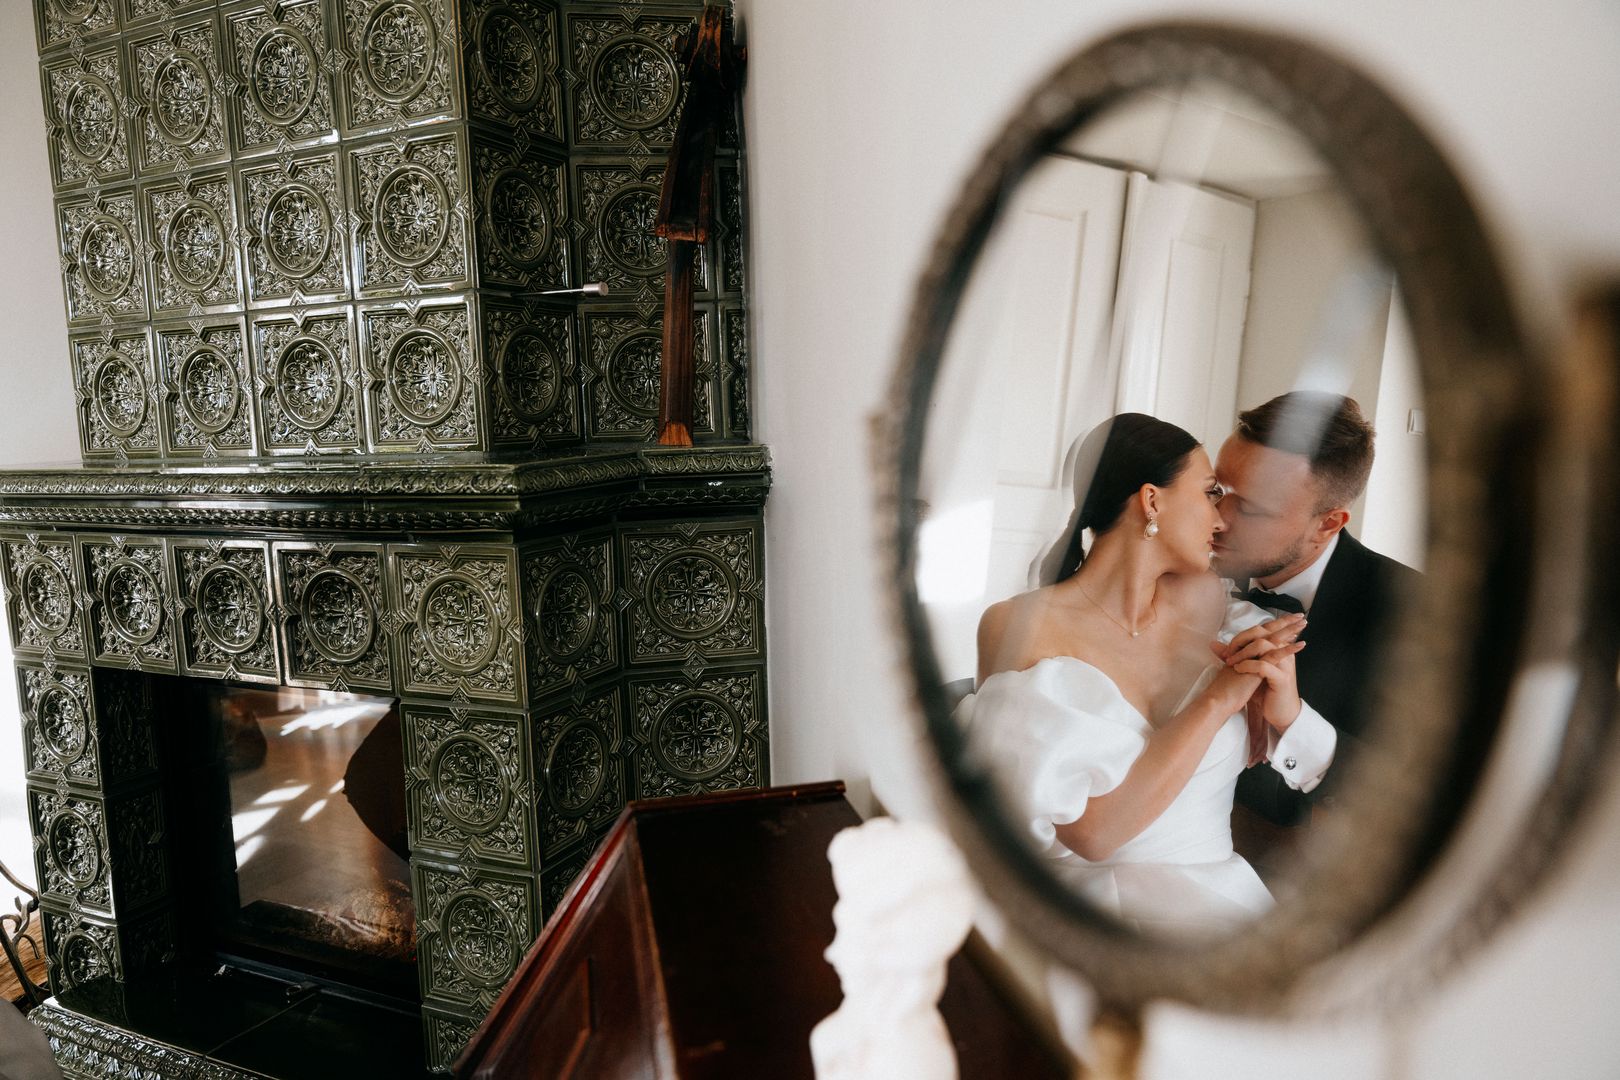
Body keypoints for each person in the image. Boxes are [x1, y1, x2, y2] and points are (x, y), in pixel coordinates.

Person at [958, 413, 1312, 939]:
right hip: (1082, 915)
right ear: (1151, 500)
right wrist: (1219, 699)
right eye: (1210, 493)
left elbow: (1278, 722)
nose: (1221, 520)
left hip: (1222, 906)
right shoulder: (1018, 625)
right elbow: (1093, 835)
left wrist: (1275, 690)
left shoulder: (1211, 604)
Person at [1212, 392, 1421, 829]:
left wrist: (1294, 722)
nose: (1217, 519)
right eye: (1216, 489)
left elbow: (1410, 796)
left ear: (1327, 524)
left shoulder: (1410, 615)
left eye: (1249, 507)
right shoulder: (1179, 563)